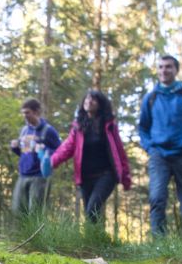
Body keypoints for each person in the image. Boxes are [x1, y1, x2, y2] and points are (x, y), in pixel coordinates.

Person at [139, 54, 182, 236]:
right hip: (159, 156)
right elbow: (143, 127)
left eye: (168, 67)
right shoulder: (151, 97)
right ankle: (159, 247)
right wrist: (150, 147)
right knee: (157, 198)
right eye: (161, 67)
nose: (164, 70)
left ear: (176, 70)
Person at [51, 90, 132, 223]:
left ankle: (97, 241)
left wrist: (126, 177)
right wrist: (52, 161)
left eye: (93, 99)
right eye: (87, 99)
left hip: (106, 175)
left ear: (100, 104)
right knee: (90, 216)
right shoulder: (78, 127)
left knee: (92, 209)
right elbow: (67, 147)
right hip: (85, 177)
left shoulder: (109, 126)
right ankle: (94, 242)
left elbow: (119, 151)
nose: (89, 101)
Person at [10, 98, 61, 216]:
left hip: (39, 176)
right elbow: (24, 153)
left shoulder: (48, 130)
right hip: (23, 174)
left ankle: (37, 235)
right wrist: (15, 147)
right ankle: (22, 235)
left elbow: (59, 152)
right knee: (17, 210)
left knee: (35, 213)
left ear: (36, 112)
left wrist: (44, 149)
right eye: (23, 113)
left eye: (27, 112)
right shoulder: (24, 130)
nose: (24, 116)